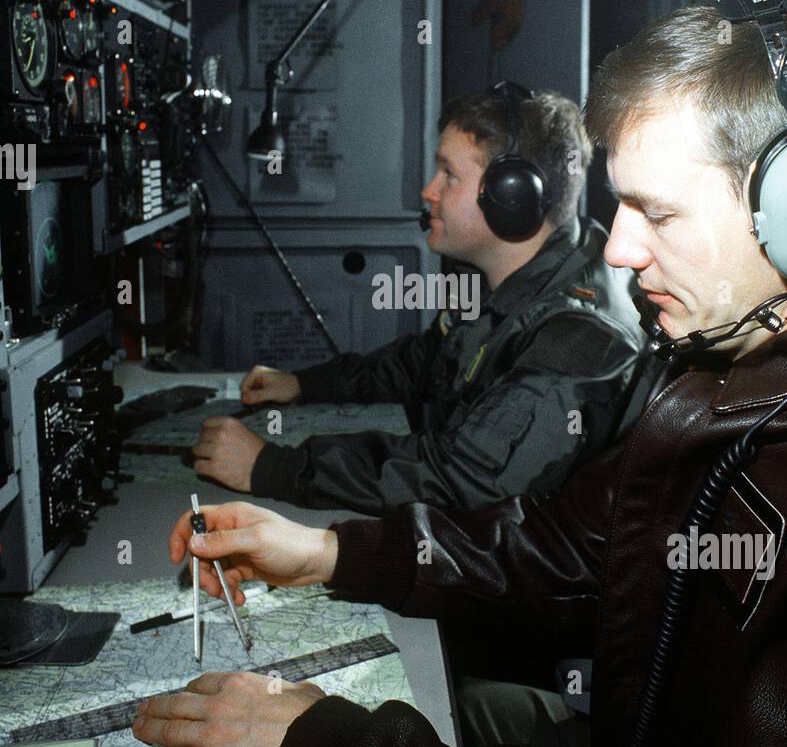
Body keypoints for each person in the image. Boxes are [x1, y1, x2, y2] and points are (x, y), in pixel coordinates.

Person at [133, 0, 787, 747]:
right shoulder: (707, 382)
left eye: (658, 213)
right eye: (616, 205)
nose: (623, 249)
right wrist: (332, 555)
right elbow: (556, 543)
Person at [190, 86, 643, 513]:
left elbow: (465, 475)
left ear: (513, 196)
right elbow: (429, 362)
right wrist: (305, 383)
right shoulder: (523, 275)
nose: (428, 191)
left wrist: (275, 467)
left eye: (449, 174)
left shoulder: (579, 337)